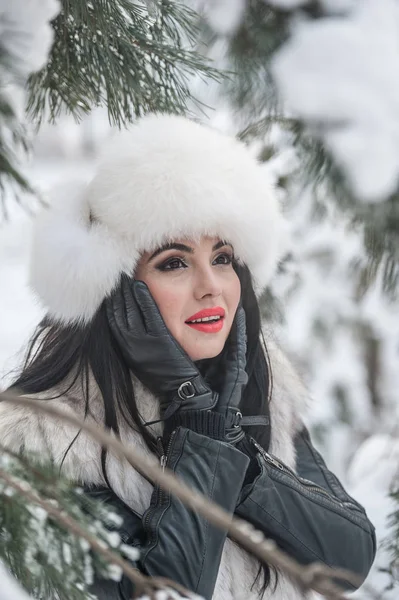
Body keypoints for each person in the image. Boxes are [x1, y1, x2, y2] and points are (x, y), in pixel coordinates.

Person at [1, 114, 375, 600]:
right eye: (174, 262)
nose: (211, 287)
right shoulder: (50, 446)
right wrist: (198, 429)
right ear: (116, 293)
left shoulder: (260, 390)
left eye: (222, 258)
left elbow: (348, 561)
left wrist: (230, 441)